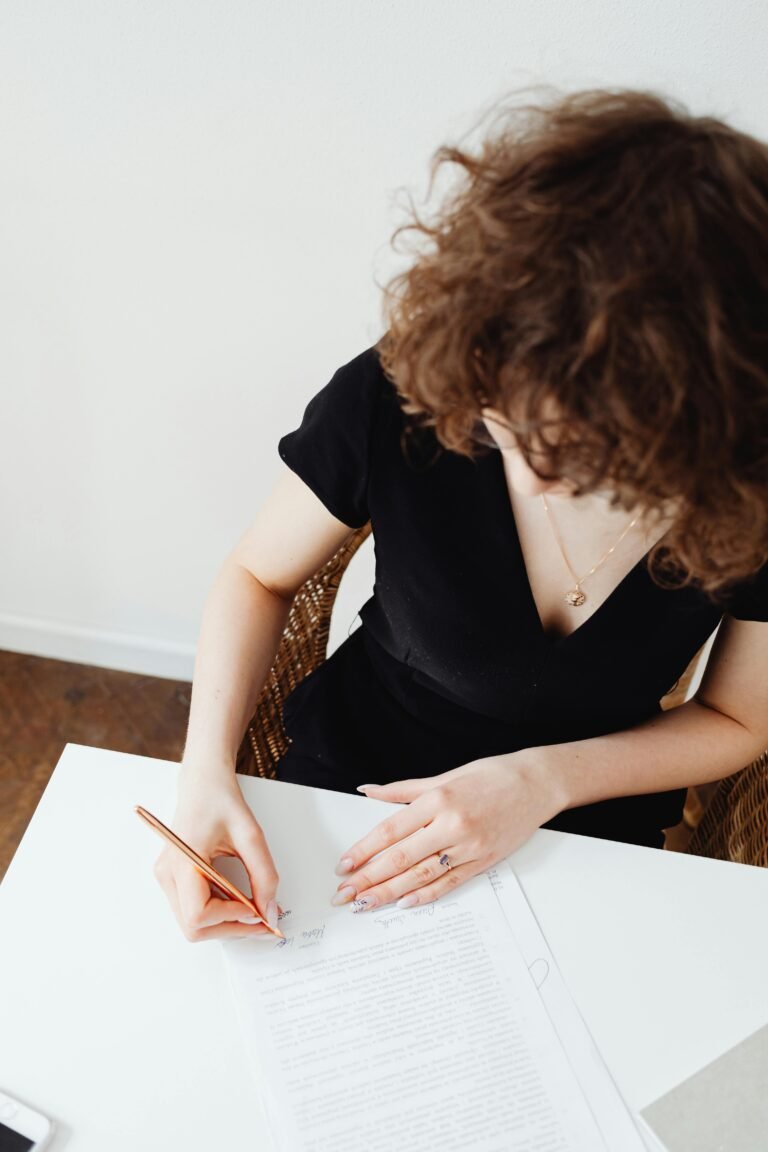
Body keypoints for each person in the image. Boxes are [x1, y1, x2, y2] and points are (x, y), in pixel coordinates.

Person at [154, 85, 768, 943]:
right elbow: (259, 573)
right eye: (509, 412)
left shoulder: (755, 484)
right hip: (359, 779)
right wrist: (204, 771)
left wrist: (537, 784)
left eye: (596, 456)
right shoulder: (405, 388)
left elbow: (740, 719)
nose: (531, 469)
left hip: (591, 809)